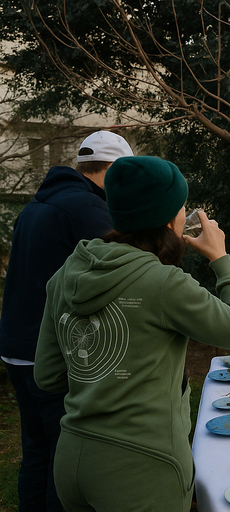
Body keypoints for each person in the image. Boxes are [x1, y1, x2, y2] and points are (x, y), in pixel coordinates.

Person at [33, 156, 230, 511]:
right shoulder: (164, 283)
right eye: (182, 207)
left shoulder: (66, 274)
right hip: (142, 467)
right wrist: (221, 259)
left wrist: (104, 377)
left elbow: (47, 376)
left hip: (73, 458)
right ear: (169, 218)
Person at [0, 130, 133, 511]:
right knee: (64, 458)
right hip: (52, 353)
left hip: (16, 347)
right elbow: (122, 271)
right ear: (112, 170)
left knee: (35, 451)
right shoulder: (88, 208)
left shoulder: (37, 204)